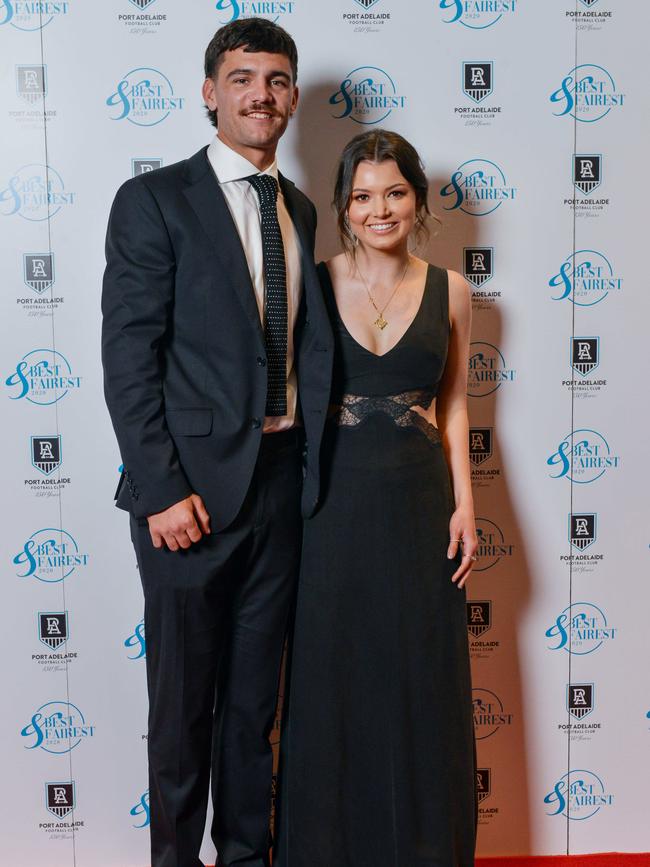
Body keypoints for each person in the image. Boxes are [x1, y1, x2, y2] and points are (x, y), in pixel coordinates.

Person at [101, 18, 332, 867]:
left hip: (280, 487)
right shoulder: (157, 200)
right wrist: (160, 489)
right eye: (241, 78)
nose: (259, 94)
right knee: (185, 705)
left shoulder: (303, 210)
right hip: (187, 497)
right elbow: (129, 357)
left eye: (275, 79)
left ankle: (244, 855)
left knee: (250, 709)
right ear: (210, 92)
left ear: (292, 98)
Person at [275, 130, 477, 867]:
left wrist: (467, 503)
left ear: (418, 200)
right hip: (332, 502)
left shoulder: (453, 289)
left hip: (423, 503)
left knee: (422, 680)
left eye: (394, 192)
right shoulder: (314, 281)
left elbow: (454, 405)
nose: (378, 208)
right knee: (333, 678)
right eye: (362, 196)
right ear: (342, 207)